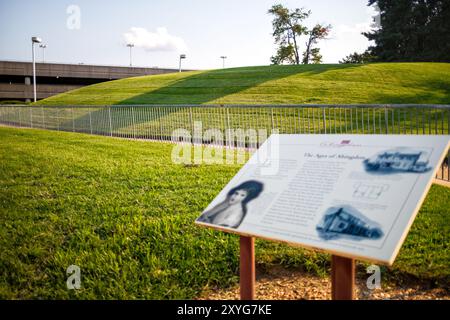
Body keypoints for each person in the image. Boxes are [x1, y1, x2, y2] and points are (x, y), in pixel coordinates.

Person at [197, 180, 263, 229]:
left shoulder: (237, 213)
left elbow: (222, 228)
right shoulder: (226, 204)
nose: (235, 197)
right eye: (236, 193)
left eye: (242, 195)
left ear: (246, 198)